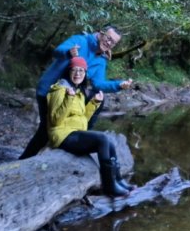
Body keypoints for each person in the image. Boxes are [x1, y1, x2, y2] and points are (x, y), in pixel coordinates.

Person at [20, 25, 134, 160]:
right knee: (45, 130)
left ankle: (82, 134)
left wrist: (119, 85)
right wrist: (69, 52)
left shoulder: (101, 59)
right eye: (108, 38)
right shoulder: (80, 41)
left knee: (98, 99)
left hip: (71, 96)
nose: (109, 43)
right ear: (100, 33)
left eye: (113, 42)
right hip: (50, 91)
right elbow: (57, 51)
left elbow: (98, 83)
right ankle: (23, 161)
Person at [47, 56, 132, 196]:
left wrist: (93, 103)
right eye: (74, 70)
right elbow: (55, 120)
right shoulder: (60, 89)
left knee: (109, 143)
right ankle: (109, 186)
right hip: (62, 135)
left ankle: (118, 179)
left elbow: (83, 120)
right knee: (102, 138)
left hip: (75, 132)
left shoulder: (78, 92)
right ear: (69, 72)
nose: (78, 74)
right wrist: (69, 98)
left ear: (85, 73)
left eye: (81, 71)